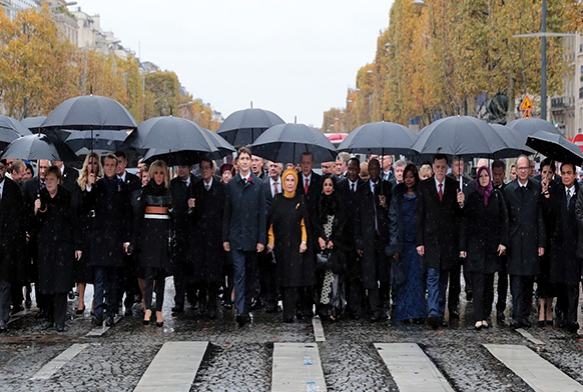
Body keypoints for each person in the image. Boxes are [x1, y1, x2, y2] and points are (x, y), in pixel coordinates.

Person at [83, 154, 132, 327]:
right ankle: (98, 312)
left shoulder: (122, 187)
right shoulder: (97, 186)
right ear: (104, 166)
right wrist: (89, 187)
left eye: (113, 164)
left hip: (115, 238)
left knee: (113, 279)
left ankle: (110, 311)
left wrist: (126, 239)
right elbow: (86, 206)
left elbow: (127, 215)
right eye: (108, 165)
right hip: (100, 238)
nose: (110, 168)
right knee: (99, 278)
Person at [416, 154, 465, 329]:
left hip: (448, 241)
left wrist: (460, 204)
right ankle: (434, 312)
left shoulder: (453, 186)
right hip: (430, 239)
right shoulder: (424, 187)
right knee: (432, 276)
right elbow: (420, 215)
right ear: (433, 167)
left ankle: (439, 311)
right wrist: (419, 241)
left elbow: (458, 218)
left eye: (443, 167)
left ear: (447, 168)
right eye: (438, 167)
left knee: (443, 277)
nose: (440, 170)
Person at [32, 166, 82, 332]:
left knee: (60, 284)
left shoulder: (66, 196)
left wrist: (77, 246)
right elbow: (34, 226)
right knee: (47, 283)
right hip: (45, 246)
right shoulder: (41, 196)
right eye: (46, 179)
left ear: (59, 180)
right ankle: (50, 316)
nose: (48, 183)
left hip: (63, 245)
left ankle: (60, 320)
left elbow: (74, 222)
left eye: (52, 179)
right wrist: (36, 211)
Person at [459, 166, 508, 330]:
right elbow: (465, 222)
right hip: (476, 246)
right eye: (482, 176)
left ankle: (486, 314)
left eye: (487, 175)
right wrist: (463, 246)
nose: (485, 178)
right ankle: (478, 316)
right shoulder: (473, 197)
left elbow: (504, 220)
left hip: (492, 247)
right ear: (478, 179)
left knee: (488, 283)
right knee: (478, 282)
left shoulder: (497, 196)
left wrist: (503, 241)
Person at [223, 147, 267, 327]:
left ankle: (246, 306)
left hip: (252, 235)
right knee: (239, 273)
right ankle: (241, 310)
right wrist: (225, 238)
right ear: (237, 162)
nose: (245, 162)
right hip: (236, 236)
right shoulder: (232, 184)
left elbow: (262, 214)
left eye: (247, 158)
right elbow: (227, 212)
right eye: (241, 159)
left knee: (250, 274)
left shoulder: (259, 184)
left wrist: (261, 239)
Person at [503, 155, 545, 328]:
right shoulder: (509, 190)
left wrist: (541, 243)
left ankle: (525, 315)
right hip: (514, 241)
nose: (522, 171)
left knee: (528, 280)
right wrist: (504, 241)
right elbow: (505, 219)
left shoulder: (536, 188)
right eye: (519, 168)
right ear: (516, 169)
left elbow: (540, 218)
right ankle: (517, 314)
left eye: (525, 168)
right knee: (516, 280)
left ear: (529, 170)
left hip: (531, 240)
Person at [131, 160, 172, 327]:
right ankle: (148, 307)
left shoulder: (169, 194)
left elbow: (173, 220)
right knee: (148, 275)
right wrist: (134, 241)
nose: (159, 176)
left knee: (160, 276)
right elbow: (138, 220)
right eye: (156, 173)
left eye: (162, 173)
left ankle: (160, 310)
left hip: (162, 239)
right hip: (148, 239)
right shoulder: (145, 193)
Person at [266, 169, 311, 322]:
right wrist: (271, 241)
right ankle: (285, 309)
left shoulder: (300, 199)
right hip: (280, 245)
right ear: (283, 182)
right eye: (287, 180)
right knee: (283, 278)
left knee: (293, 279)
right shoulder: (277, 199)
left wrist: (304, 242)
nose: (290, 183)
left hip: (295, 244)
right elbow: (270, 222)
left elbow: (304, 223)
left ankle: (290, 313)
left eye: (292, 180)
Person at [387, 164, 427, 323]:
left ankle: (417, 313)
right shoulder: (397, 195)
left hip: (416, 242)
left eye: (411, 176)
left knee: (416, 279)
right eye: (406, 176)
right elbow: (393, 220)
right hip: (403, 242)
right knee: (402, 280)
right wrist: (394, 244)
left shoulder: (421, 194)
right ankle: (403, 312)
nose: (408, 180)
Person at [188, 158, 226, 319]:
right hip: (200, 238)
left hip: (215, 237)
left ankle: (212, 303)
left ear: (212, 170)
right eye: (201, 168)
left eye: (206, 168)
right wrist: (190, 208)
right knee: (200, 274)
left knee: (214, 274)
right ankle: (202, 302)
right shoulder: (195, 188)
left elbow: (224, 213)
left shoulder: (220, 188)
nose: (204, 171)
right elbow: (190, 217)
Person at [354, 158, 391, 322]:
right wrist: (358, 241)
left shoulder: (387, 187)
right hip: (367, 237)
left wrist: (385, 205)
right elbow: (357, 218)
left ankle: (383, 305)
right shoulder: (362, 189)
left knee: (383, 274)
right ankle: (374, 307)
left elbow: (393, 214)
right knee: (370, 274)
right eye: (372, 168)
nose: (374, 170)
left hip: (383, 238)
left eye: (377, 168)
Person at [545, 162, 580, 332]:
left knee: (572, 282)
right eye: (563, 173)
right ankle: (563, 312)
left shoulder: (580, 193)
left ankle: (572, 318)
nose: (566, 176)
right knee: (560, 281)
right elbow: (549, 215)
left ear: (575, 175)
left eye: (569, 173)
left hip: (575, 244)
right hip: (559, 244)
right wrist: (546, 197)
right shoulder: (556, 191)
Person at [313, 174, 349, 321]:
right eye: (325, 185)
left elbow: (343, 223)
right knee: (321, 278)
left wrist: (334, 239)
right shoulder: (318, 202)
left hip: (335, 245)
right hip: (321, 245)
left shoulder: (339, 203)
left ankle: (334, 308)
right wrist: (320, 237)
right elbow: (314, 223)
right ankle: (323, 308)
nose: (328, 188)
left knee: (334, 278)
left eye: (330, 185)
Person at [336, 158, 366, 319]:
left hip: (359, 235)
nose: (353, 172)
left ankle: (354, 306)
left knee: (356, 275)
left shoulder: (363, 186)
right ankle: (343, 303)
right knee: (343, 273)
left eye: (355, 169)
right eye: (350, 169)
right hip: (343, 237)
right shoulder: (340, 186)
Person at [74, 152, 103, 315]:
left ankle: (95, 301)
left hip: (96, 227)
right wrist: (88, 188)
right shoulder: (79, 184)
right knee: (82, 266)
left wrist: (95, 187)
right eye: (90, 163)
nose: (92, 166)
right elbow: (79, 206)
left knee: (96, 267)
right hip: (84, 227)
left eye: (95, 163)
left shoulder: (102, 183)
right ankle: (80, 300)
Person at [21, 159, 51, 319]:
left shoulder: (52, 184)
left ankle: (49, 303)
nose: (42, 170)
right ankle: (41, 304)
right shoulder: (30, 185)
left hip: (49, 235)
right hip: (34, 235)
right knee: (38, 271)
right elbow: (24, 210)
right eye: (40, 167)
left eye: (45, 168)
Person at [114, 151, 142, 316]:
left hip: (129, 229)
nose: (117, 166)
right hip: (114, 231)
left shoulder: (134, 181)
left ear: (125, 163)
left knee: (130, 270)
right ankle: (116, 299)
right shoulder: (109, 182)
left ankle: (129, 299)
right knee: (116, 270)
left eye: (119, 162)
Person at [0, 159, 26, 332]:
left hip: (7, 244)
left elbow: (18, 217)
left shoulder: (13, 189)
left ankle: (2, 318)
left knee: (4, 283)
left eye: (1, 169)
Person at [169, 163, 196, 314]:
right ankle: (179, 301)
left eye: (184, 166)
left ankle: (192, 297)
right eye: (178, 166)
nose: (180, 169)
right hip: (179, 232)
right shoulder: (173, 185)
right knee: (178, 270)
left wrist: (193, 208)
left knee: (192, 268)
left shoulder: (196, 183)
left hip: (193, 234)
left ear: (189, 168)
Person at [535, 158, 559, 326]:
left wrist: (549, 198)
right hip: (539, 238)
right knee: (541, 275)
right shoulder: (536, 187)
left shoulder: (557, 189)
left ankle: (550, 307)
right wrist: (542, 196)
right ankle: (542, 308)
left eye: (549, 172)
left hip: (554, 239)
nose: (547, 175)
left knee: (551, 276)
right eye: (544, 172)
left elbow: (555, 213)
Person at [491, 160, 509, 321]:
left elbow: (507, 219)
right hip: (489, 241)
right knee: (489, 277)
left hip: (502, 242)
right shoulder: (487, 191)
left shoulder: (507, 191)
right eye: (494, 174)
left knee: (503, 278)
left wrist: (504, 240)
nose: (497, 178)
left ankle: (501, 307)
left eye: (499, 175)